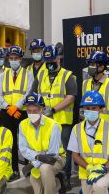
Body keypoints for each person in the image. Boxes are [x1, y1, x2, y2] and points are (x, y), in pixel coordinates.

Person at [31, 44, 77, 187]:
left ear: (58, 58)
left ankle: (66, 178)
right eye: (47, 61)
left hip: (62, 120)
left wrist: (53, 109)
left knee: (64, 152)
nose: (49, 63)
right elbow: (35, 94)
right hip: (46, 121)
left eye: (51, 60)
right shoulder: (41, 75)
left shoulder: (68, 75)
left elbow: (71, 97)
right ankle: (51, 176)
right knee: (48, 150)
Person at [68, 91, 109, 194]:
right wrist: (89, 168)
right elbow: (75, 155)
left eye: (94, 108)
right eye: (87, 108)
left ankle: (107, 187)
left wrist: (104, 169)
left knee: (98, 186)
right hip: (86, 171)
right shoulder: (77, 129)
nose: (90, 111)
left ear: (101, 109)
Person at [0, 45, 33, 181]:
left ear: (21, 59)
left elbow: (28, 93)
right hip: (7, 113)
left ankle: (30, 169)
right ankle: (14, 170)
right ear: (8, 59)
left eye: (15, 58)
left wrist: (16, 106)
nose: (13, 60)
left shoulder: (28, 74)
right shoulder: (2, 75)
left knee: (27, 141)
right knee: (10, 142)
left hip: (22, 112)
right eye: (11, 58)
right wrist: (8, 107)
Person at [19, 93, 67, 194]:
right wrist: (38, 158)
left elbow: (52, 154)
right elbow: (23, 148)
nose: (31, 114)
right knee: (35, 180)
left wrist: (33, 164)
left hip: (56, 159)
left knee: (45, 169)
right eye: (29, 111)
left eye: (35, 111)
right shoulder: (22, 125)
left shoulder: (54, 126)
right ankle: (58, 180)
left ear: (42, 109)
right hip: (37, 160)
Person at [83, 51, 109, 122]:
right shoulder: (85, 83)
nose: (90, 67)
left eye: (93, 64)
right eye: (90, 64)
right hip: (88, 127)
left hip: (105, 128)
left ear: (101, 67)